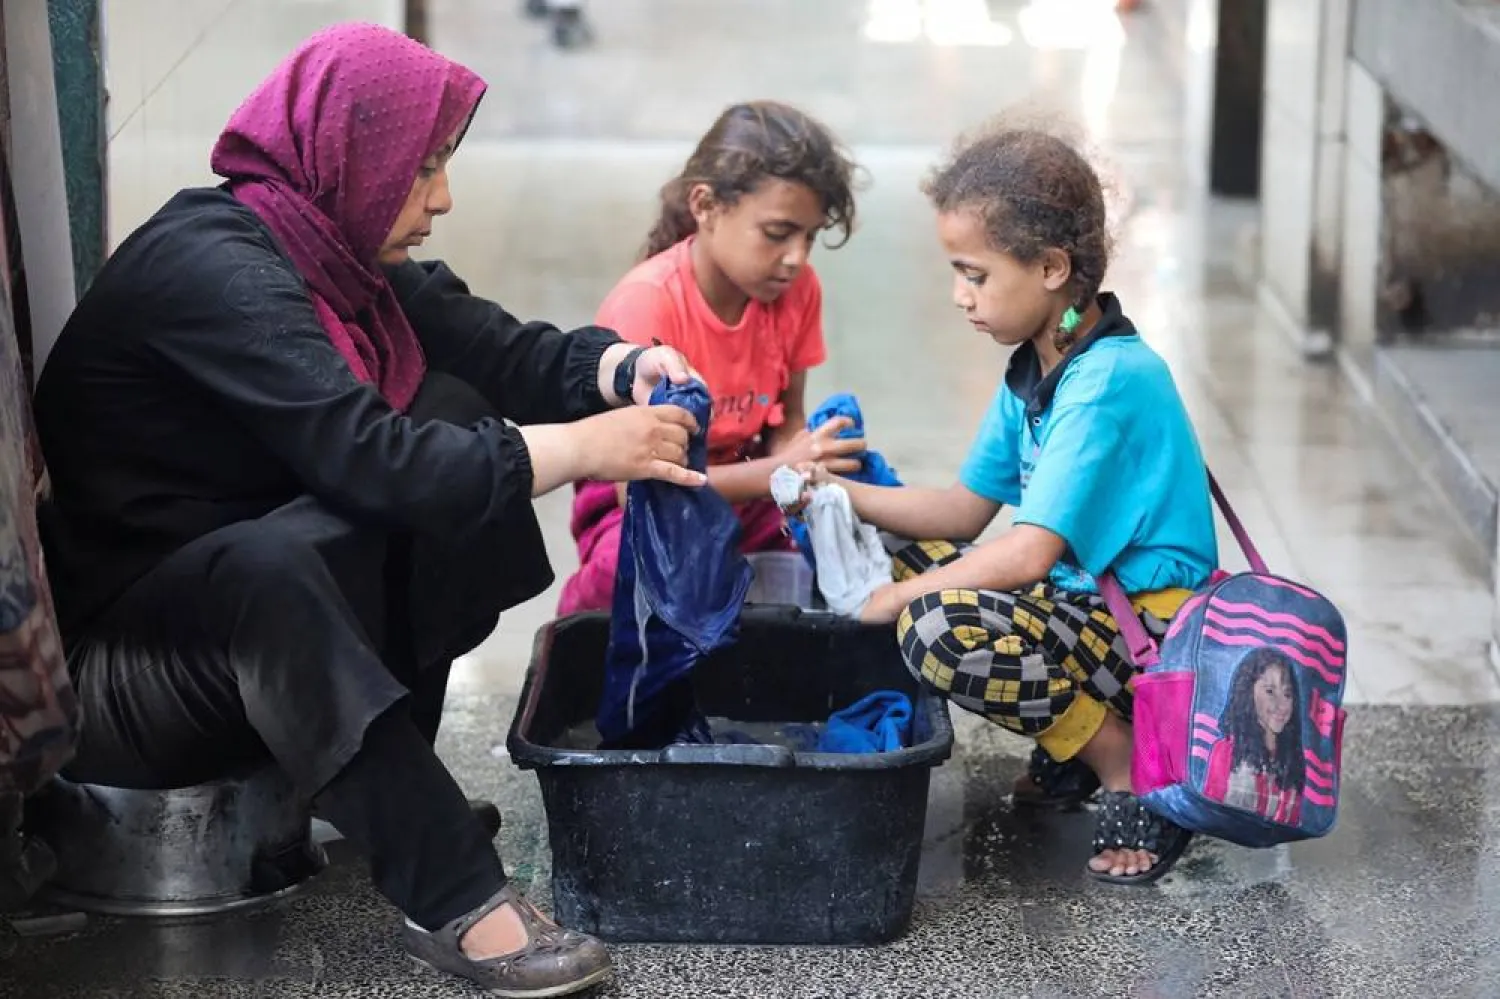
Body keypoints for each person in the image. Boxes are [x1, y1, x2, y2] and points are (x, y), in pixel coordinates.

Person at [32, 23, 702, 996]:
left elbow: (496, 349)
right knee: (310, 543)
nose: (442, 197)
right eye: (423, 169)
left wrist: (620, 367)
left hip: (243, 645)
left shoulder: (333, 257)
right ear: (347, 155)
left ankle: (388, 795)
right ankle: (456, 897)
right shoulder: (216, 270)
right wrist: (585, 451)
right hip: (125, 678)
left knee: (457, 415)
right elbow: (369, 459)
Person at [797, 121, 1218, 885]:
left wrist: (894, 597)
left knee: (933, 625)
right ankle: (1080, 740)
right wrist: (837, 493)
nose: (960, 297)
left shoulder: (1107, 382)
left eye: (975, 274)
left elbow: (1027, 554)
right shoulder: (1039, 365)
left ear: (1052, 267)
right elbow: (962, 513)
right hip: (1086, 612)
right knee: (903, 551)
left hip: (1157, 639)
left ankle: (1124, 761)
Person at [557, 100, 864, 616]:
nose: (796, 258)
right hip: (642, 500)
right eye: (777, 233)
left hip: (748, 484)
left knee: (837, 550)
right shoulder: (648, 302)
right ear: (705, 205)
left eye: (809, 237)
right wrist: (777, 471)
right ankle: (570, 665)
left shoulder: (798, 291)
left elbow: (786, 418)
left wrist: (805, 467)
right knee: (631, 577)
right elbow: (638, 487)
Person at [1204, 650, 1305, 822]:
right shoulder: (1227, 752)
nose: (1282, 705)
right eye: (1270, 691)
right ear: (1248, 692)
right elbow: (1210, 813)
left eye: (1287, 694)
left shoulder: (1292, 760)